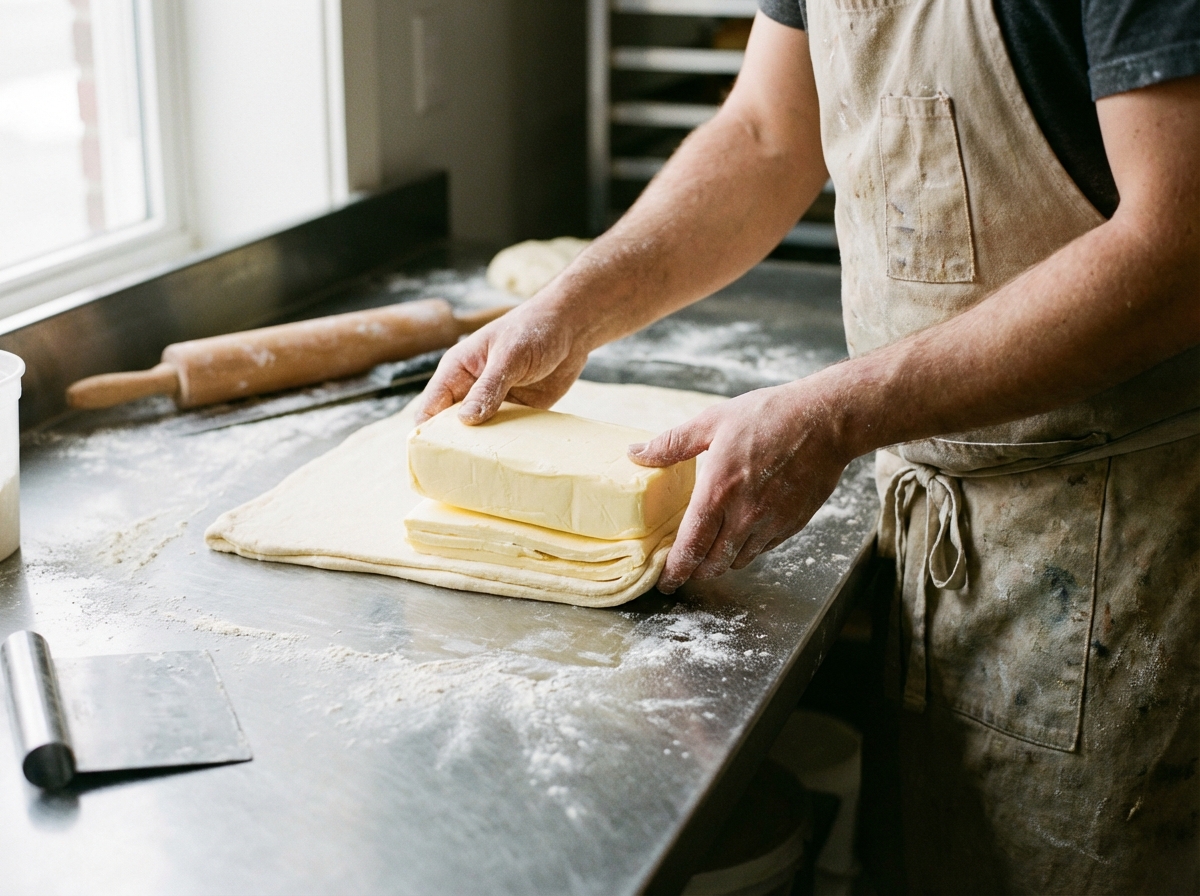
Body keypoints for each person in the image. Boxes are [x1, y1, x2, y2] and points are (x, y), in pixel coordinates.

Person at [415, 1, 1200, 891]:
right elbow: (764, 134)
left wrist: (834, 415)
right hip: (940, 514)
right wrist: (570, 307)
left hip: (1131, 536)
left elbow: (1178, 242)